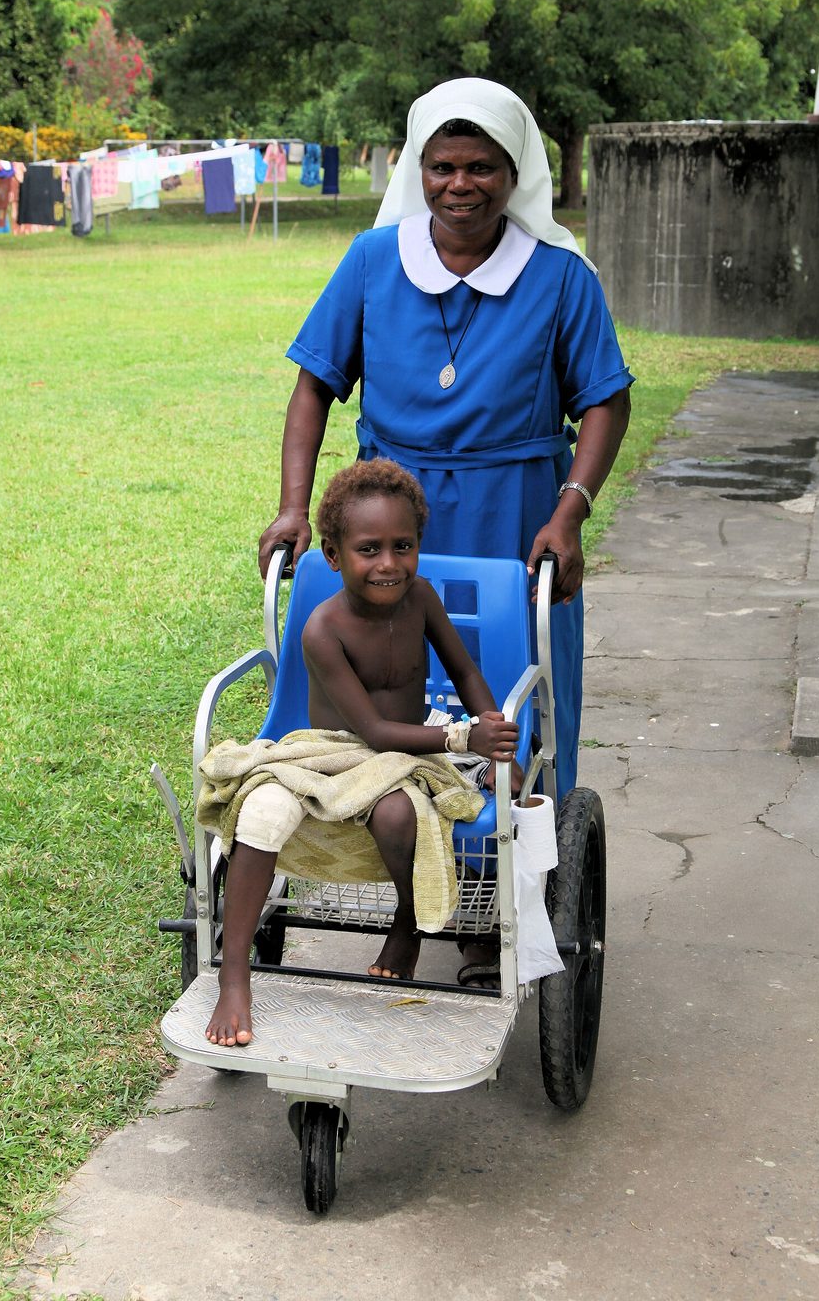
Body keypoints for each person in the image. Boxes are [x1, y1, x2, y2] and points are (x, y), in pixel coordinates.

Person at [257, 77, 633, 979]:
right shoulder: (373, 262)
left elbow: (607, 402)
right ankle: (397, 885)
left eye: (481, 168)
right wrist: (292, 504)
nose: (460, 185)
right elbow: (314, 384)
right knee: (386, 704)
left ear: (514, 173)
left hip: (515, 520)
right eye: (442, 166)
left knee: (508, 706)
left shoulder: (559, 277)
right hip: (390, 521)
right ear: (415, 170)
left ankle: (489, 917)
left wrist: (571, 513)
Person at [204, 458, 519, 1047]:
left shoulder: (422, 598)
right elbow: (371, 730)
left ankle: (408, 920)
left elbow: (466, 673)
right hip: (333, 749)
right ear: (332, 555)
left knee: (401, 813)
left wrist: (492, 733)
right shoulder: (323, 628)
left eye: (403, 546)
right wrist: (458, 738)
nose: (389, 564)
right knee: (262, 812)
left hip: (406, 752)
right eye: (369, 549)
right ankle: (235, 975)